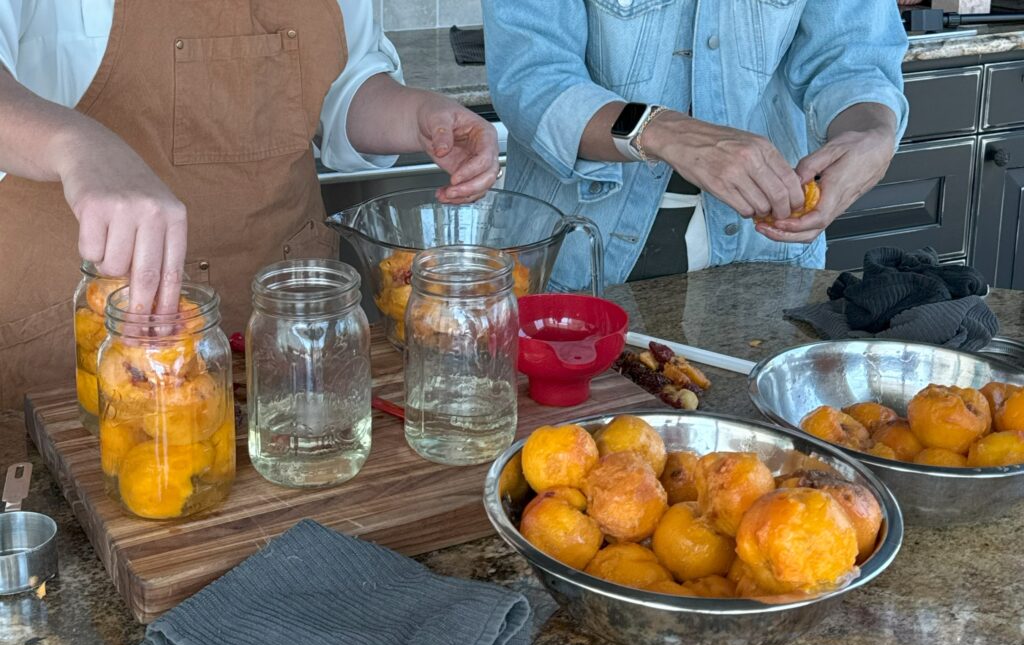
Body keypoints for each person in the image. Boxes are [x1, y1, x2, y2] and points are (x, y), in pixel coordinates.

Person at [0, 0, 499, 407]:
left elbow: (347, 86)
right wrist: (76, 145)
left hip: (287, 340)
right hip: (91, 344)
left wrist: (418, 115)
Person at [481, 0, 908, 291]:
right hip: (579, 259)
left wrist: (872, 131)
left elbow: (852, 56)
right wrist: (661, 130)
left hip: (766, 259)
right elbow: (531, 80)